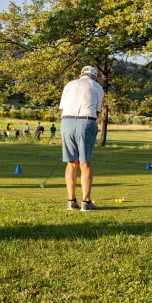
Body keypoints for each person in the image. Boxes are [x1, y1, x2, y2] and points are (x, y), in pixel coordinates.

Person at [59, 65, 104, 211]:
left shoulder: (70, 84)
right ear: (94, 76)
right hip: (86, 121)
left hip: (66, 122)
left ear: (81, 74)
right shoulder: (96, 86)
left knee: (71, 163)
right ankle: (86, 202)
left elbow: (63, 106)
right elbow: (96, 110)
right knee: (85, 164)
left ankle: (71, 201)